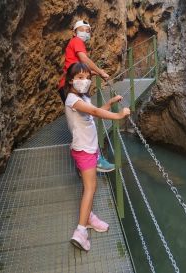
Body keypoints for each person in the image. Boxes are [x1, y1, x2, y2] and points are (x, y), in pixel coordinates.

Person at [65, 62, 130, 251]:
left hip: (88, 149)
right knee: (90, 189)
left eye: (87, 77)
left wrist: (109, 104)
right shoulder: (71, 99)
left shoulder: (83, 98)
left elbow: (92, 115)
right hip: (84, 150)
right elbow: (93, 112)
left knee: (88, 188)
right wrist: (118, 116)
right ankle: (81, 231)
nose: (84, 81)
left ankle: (89, 217)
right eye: (79, 78)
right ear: (71, 80)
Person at [58, 19, 114, 172]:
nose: (85, 33)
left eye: (88, 30)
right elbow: (84, 59)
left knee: (81, 121)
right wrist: (101, 72)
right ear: (75, 32)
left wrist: (95, 73)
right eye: (82, 29)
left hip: (67, 84)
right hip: (70, 86)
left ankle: (84, 155)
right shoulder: (77, 41)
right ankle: (94, 160)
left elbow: (79, 69)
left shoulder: (74, 43)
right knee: (86, 121)